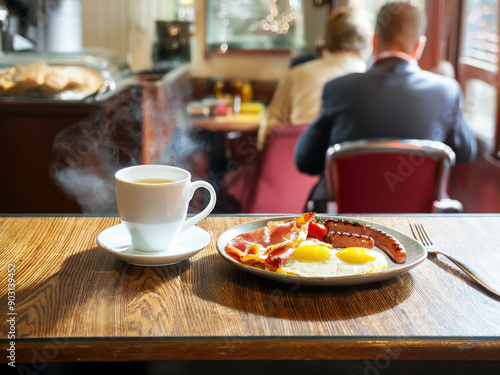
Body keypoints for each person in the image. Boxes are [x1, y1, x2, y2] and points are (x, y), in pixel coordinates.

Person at [294, 2, 477, 211]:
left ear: (374, 40)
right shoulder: (446, 91)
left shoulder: (338, 89)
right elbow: (465, 152)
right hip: (419, 222)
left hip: (346, 223)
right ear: (419, 45)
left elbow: (305, 160)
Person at [256, 6, 373, 150]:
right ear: (369, 42)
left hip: (294, 165)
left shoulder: (298, 75)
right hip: (346, 166)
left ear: (327, 39)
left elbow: (269, 129)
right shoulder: (374, 82)